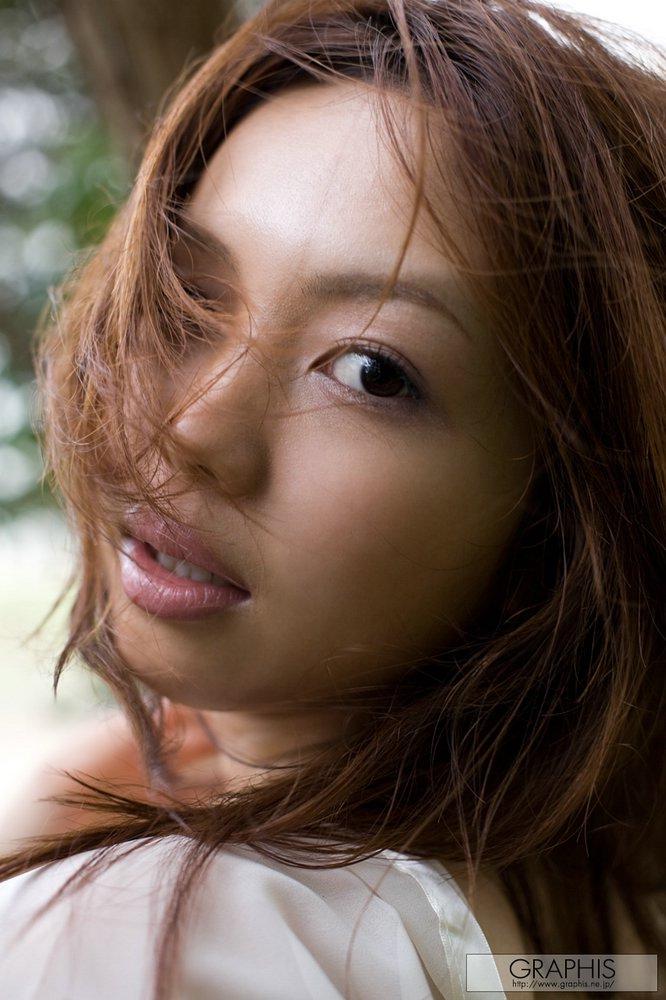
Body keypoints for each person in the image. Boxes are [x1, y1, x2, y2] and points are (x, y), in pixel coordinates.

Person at [0, 0, 663, 997]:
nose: (193, 427)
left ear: (562, 519)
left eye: (372, 372)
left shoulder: (155, 931)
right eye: (189, 294)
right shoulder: (594, 935)